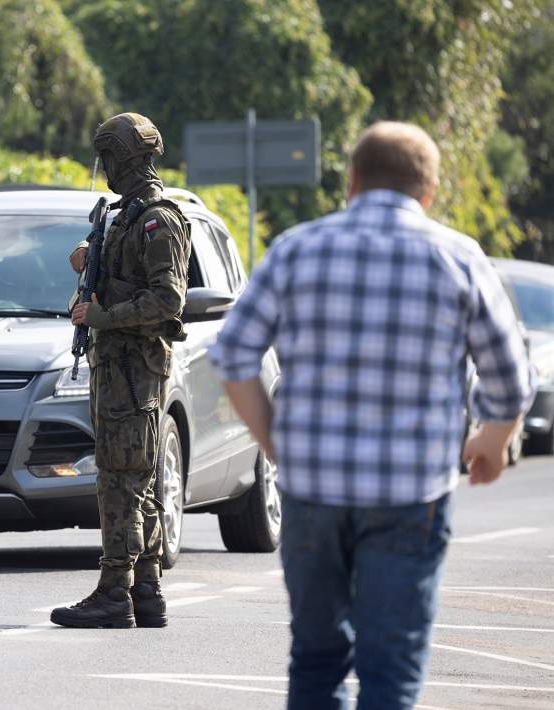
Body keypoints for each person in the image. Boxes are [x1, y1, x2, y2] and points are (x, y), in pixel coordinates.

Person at [209, 121, 534, 709]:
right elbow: (510, 377)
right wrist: (491, 441)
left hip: (313, 491)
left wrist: (275, 442)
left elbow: (233, 356)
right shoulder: (457, 256)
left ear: (351, 181)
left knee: (316, 661)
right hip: (411, 495)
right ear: (429, 191)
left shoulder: (296, 249)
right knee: (391, 670)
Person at [50, 113, 190, 629]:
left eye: (107, 157)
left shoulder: (158, 218)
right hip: (119, 366)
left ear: (121, 158)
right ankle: (145, 589)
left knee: (119, 480)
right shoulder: (126, 216)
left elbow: (167, 300)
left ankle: (115, 591)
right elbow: (130, 276)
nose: (103, 167)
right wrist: (94, 259)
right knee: (136, 479)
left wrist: (101, 315)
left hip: (134, 370)